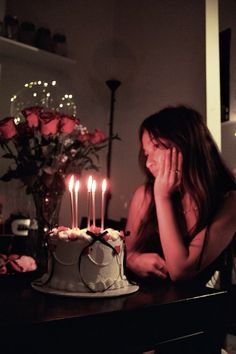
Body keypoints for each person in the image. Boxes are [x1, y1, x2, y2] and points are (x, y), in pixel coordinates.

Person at [125, 105, 236, 288]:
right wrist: (133, 260)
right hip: (140, 307)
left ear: (186, 143)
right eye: (146, 153)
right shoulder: (144, 195)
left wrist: (163, 197)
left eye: (157, 147)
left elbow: (180, 270)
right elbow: (124, 252)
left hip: (197, 311)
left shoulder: (228, 202)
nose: (149, 162)